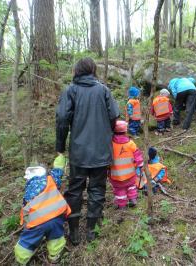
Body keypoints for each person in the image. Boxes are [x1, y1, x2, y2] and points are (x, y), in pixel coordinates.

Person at [56, 57, 119, 245]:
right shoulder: (103, 90)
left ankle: (74, 231)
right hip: (100, 152)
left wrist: (60, 147)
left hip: (78, 153)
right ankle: (92, 229)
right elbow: (114, 116)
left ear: (77, 71)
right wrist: (107, 134)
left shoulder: (70, 91)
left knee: (75, 190)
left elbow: (61, 120)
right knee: (97, 189)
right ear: (93, 70)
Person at [14, 156, 71, 265]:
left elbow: (26, 207)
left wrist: (26, 222)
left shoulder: (29, 189)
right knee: (56, 237)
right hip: (56, 217)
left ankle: (21, 260)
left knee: (27, 242)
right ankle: (55, 257)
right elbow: (58, 171)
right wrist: (60, 158)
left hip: (38, 221)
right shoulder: (51, 178)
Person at [109, 120, 143, 209]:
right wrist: (140, 165)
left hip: (116, 175)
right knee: (131, 186)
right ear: (125, 131)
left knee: (119, 190)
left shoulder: (110, 144)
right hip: (130, 173)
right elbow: (138, 155)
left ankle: (122, 205)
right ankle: (133, 199)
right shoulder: (131, 143)